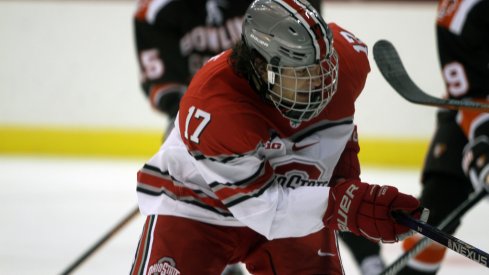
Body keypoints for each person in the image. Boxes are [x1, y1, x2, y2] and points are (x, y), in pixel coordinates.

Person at [130, 0, 422, 274]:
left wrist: (347, 181)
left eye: (322, 67)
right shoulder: (217, 108)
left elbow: (338, 130)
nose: (319, 82)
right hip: (196, 206)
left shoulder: (345, 65)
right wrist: (347, 206)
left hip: (291, 198)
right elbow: (266, 209)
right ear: (261, 68)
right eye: (302, 73)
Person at [133, 0, 321, 138]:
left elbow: (307, 52)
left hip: (273, 108)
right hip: (198, 114)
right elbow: (164, 85)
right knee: (176, 148)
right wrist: (201, 114)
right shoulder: (155, 11)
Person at [397, 0, 489, 274]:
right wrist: (484, 146)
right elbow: (469, 97)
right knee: (434, 218)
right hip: (474, 109)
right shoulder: (459, 13)